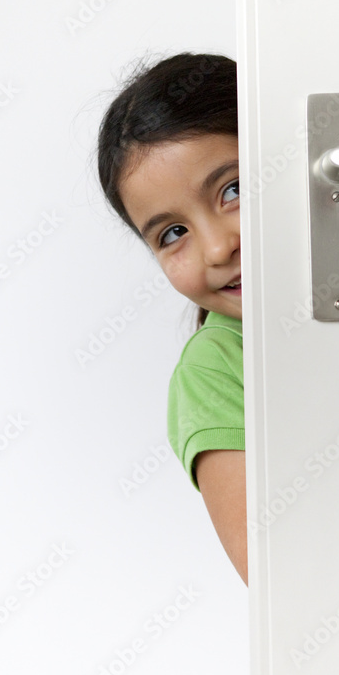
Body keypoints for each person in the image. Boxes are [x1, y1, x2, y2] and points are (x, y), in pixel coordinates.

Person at [96, 52, 248, 585]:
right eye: (173, 233)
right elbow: (276, 575)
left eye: (234, 190)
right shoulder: (214, 370)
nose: (218, 248)